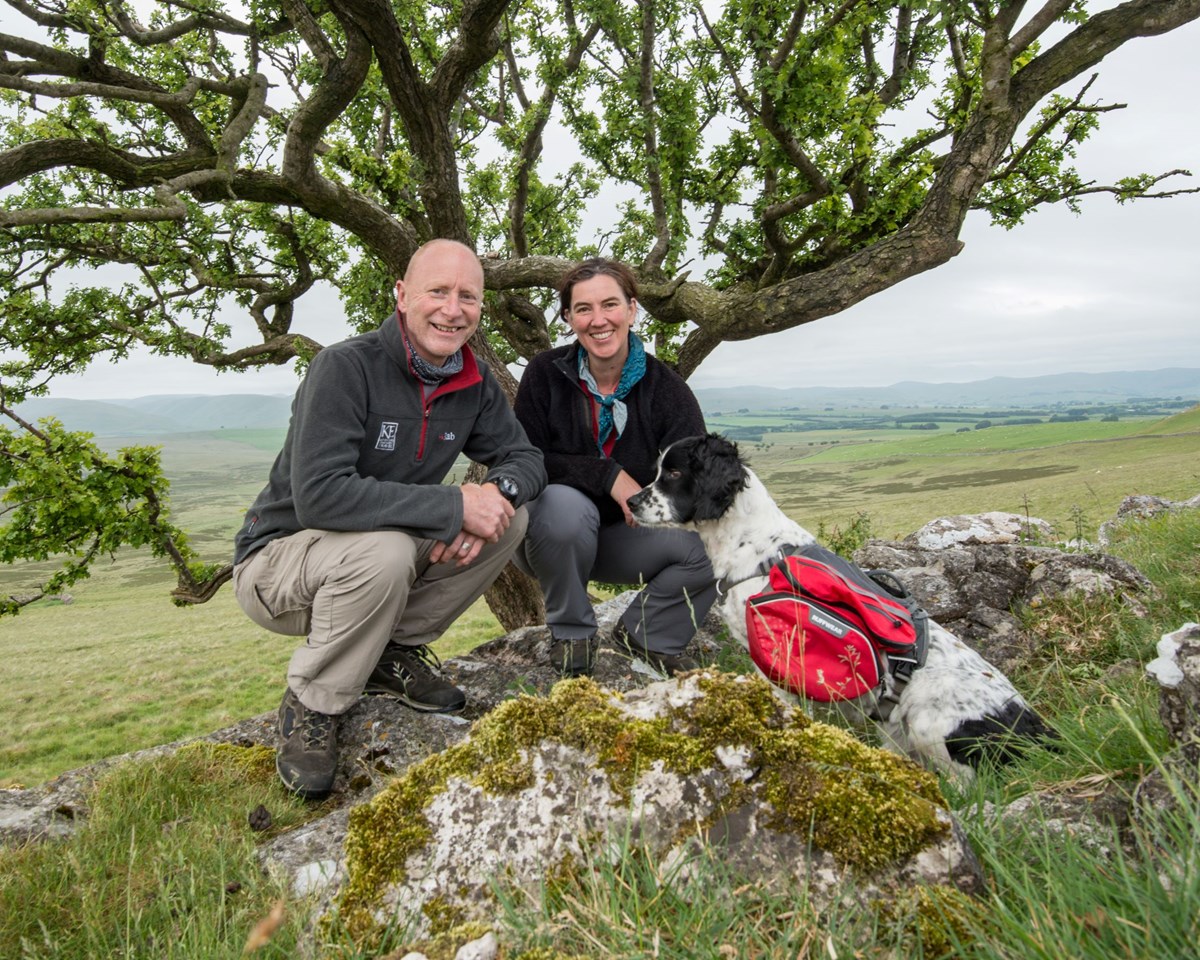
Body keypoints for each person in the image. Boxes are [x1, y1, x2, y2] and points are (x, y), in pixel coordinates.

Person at [232, 239, 546, 799]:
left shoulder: (470, 382)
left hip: (374, 557)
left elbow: (524, 459)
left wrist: (495, 494)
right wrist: (453, 508)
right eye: (438, 291)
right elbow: (321, 498)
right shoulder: (344, 367)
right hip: (278, 565)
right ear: (402, 295)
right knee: (389, 549)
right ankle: (313, 701)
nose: (453, 309)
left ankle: (389, 653)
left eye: (468, 296)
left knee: (510, 517)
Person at [513, 258, 716, 678]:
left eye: (610, 304)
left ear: (632, 309)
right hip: (549, 537)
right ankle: (573, 634)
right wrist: (608, 477)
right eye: (583, 309)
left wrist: (653, 498)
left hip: (626, 537)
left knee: (715, 549)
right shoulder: (543, 375)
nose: (598, 320)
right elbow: (526, 458)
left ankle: (648, 634)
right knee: (563, 506)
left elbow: (693, 473)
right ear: (568, 318)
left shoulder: (667, 388)